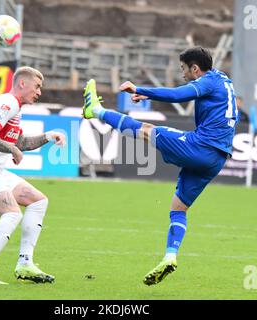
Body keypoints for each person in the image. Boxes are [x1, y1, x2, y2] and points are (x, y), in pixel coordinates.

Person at [82, 46, 238, 286]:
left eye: (184, 70)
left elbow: (178, 95)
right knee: (178, 207)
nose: (183, 74)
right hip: (216, 159)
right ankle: (170, 256)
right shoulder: (223, 81)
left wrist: (141, 89)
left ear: (196, 68)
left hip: (201, 147)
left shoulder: (207, 81)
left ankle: (96, 110)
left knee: (146, 130)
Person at [0, 66, 66, 285]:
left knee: (38, 201)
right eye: (37, 86)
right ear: (22, 84)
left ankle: (25, 263)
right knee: (12, 213)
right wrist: (12, 149)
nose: (39, 92)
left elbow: (21, 143)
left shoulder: (14, 108)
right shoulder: (6, 104)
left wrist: (47, 136)